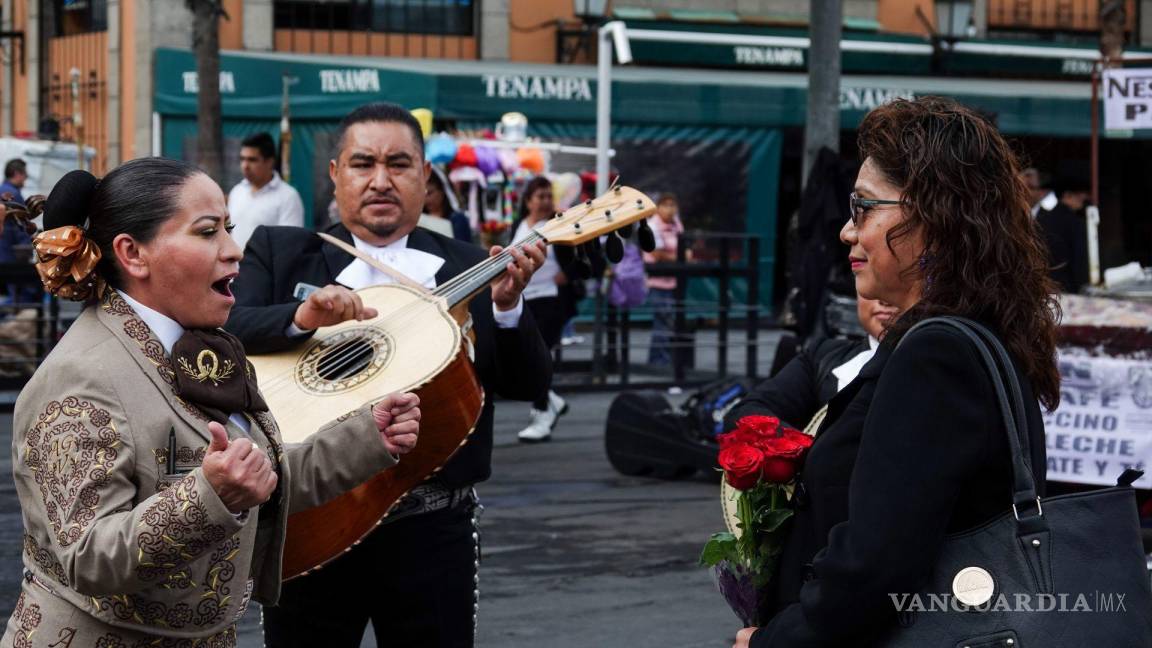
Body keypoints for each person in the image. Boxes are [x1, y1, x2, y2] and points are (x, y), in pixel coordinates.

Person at [2, 159, 422, 644]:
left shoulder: (208, 346)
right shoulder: (80, 375)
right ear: (133, 254)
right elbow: (88, 555)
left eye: (229, 228)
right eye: (207, 232)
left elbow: (258, 478)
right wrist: (210, 497)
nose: (233, 251)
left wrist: (367, 437)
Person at [223, 102, 552, 647]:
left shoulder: (471, 265)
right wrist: (301, 317)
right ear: (335, 174)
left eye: (399, 164)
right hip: (312, 513)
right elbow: (225, 330)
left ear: (425, 175)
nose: (381, 180)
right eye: (362, 164)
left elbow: (527, 386)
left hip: (432, 528)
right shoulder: (283, 252)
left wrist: (511, 307)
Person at [734, 96, 1056, 646]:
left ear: (932, 217)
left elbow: (876, 567)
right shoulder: (966, 335)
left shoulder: (937, 355)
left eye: (862, 208)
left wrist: (774, 640)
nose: (845, 231)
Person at [725, 296, 899, 433]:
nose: (884, 299)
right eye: (869, 279)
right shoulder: (822, 356)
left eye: (899, 281)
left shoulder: (923, 364)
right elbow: (744, 414)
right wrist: (804, 449)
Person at [509, 176, 570, 443]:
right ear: (528, 200)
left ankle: (543, 412)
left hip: (551, 299)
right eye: (540, 197)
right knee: (523, 356)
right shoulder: (520, 225)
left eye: (548, 196)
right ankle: (551, 399)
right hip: (526, 298)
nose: (545, 202)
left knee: (539, 356)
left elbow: (576, 260)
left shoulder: (558, 225)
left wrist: (568, 275)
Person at [227, 132, 304, 250]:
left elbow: (290, 243)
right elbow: (229, 232)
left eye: (252, 160)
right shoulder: (236, 192)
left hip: (267, 268)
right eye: (242, 159)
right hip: (234, 266)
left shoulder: (288, 197)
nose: (245, 165)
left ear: (269, 162)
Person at [643, 192, 686, 365]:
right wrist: (681, 256)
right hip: (656, 282)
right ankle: (658, 362)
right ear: (658, 207)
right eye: (666, 205)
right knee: (662, 323)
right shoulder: (652, 226)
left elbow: (684, 245)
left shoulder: (677, 224)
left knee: (668, 323)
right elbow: (656, 253)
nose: (670, 209)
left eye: (673, 205)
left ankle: (660, 361)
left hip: (675, 281)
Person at [1035, 177, 1090, 293]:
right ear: (1067, 195)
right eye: (1079, 193)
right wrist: (1082, 286)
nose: (1084, 197)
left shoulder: (1042, 219)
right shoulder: (1075, 222)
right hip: (1067, 288)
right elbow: (1079, 261)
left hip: (1042, 286)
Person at [425, 164, 472, 242]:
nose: (426, 199)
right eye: (422, 194)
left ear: (442, 191)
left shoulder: (457, 219)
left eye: (430, 193)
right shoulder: (417, 220)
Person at [0, 158, 31, 263]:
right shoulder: (13, 194)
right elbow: (21, 225)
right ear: (17, 174)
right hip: (9, 252)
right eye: (25, 175)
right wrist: (26, 248)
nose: (25, 179)